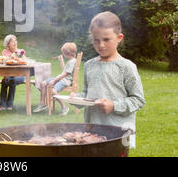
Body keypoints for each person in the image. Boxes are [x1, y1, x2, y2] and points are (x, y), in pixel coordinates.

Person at [71, 11, 145, 148]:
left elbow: (138, 100)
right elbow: (87, 94)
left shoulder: (126, 67)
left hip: (118, 132)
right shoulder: (89, 65)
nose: (101, 45)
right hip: (92, 131)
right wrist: (77, 99)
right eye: (96, 40)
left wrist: (113, 106)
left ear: (119, 38)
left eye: (106, 40)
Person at [33, 42, 77, 115]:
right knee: (43, 83)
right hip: (61, 78)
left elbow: (66, 74)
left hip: (65, 80)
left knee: (53, 91)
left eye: (64, 53)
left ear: (67, 53)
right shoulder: (71, 60)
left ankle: (64, 107)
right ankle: (42, 104)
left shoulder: (72, 62)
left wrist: (54, 80)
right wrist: (61, 61)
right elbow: (65, 71)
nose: (63, 54)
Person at [0, 34, 26, 111]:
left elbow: (25, 62)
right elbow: (4, 62)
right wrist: (5, 75)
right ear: (8, 44)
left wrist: (19, 55)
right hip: (9, 74)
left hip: (20, 75)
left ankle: (10, 105)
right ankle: (2, 105)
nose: (15, 43)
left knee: (13, 80)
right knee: (4, 81)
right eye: (12, 41)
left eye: (15, 40)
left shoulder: (21, 51)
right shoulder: (5, 52)